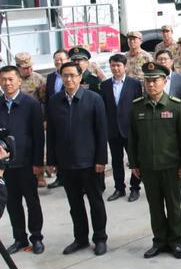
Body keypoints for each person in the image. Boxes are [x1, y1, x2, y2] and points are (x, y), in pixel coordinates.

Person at [128, 62, 181, 259]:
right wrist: (134, 163)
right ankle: (159, 241)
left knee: (173, 206)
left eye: (155, 80)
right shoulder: (137, 106)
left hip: (171, 166)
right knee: (155, 207)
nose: (151, 84)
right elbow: (132, 138)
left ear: (164, 81)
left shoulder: (175, 105)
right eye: (148, 81)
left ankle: (176, 242)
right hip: (148, 166)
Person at [46, 62, 108, 256]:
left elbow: (101, 132)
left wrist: (101, 160)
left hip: (90, 163)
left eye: (73, 75)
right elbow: (52, 133)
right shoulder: (55, 101)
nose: (69, 79)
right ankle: (80, 239)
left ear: (80, 77)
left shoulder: (94, 99)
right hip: (66, 163)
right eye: (65, 75)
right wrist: (52, 160)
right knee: (75, 205)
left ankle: (100, 238)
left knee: (95, 203)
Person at [0, 66, 45, 255]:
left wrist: (38, 163)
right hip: (6, 165)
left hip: (27, 163)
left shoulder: (31, 104)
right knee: (12, 203)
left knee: (32, 202)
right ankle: (19, 238)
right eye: (3, 79)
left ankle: (36, 237)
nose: (7, 83)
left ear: (19, 81)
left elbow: (38, 136)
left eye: (10, 79)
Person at [100, 54, 143, 202]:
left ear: (125, 66)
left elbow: (138, 106)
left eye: (118, 65)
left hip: (130, 128)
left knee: (134, 159)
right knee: (116, 160)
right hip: (113, 129)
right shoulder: (105, 85)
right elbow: (104, 108)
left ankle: (135, 188)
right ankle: (119, 188)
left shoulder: (134, 84)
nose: (115, 68)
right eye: (113, 65)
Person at [156, 50, 181, 199]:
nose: (162, 62)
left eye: (165, 59)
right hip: (158, 123)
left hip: (177, 121)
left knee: (180, 153)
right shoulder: (152, 79)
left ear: (171, 61)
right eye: (160, 59)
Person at [45, 49, 69, 189]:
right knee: (56, 146)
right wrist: (46, 118)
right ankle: (60, 177)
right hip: (53, 117)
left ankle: (68, 177)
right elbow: (47, 99)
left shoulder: (71, 75)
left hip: (67, 116)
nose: (59, 62)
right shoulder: (50, 77)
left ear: (67, 60)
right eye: (56, 59)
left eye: (61, 59)